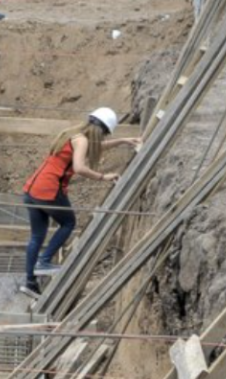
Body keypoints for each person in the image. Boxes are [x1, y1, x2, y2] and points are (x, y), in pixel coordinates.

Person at [20, 106, 142, 296]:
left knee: (36, 236)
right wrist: (103, 177)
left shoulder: (72, 134)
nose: (103, 138)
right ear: (101, 130)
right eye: (104, 134)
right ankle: (43, 262)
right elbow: (79, 167)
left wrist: (123, 141)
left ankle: (30, 282)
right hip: (49, 189)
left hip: (32, 189)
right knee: (68, 223)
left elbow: (96, 147)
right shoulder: (83, 140)